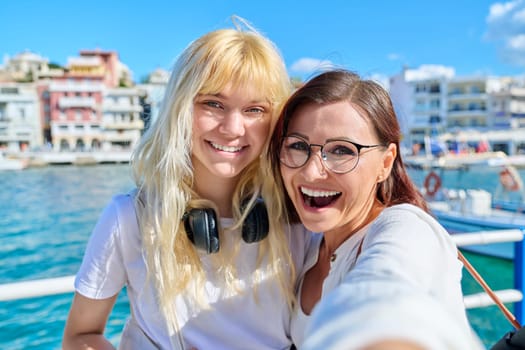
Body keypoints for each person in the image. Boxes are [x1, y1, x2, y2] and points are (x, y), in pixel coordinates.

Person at [62, 16, 312, 350]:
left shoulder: (298, 219)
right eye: (213, 104)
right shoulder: (129, 218)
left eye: (255, 110)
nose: (233, 127)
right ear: (181, 106)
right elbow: (81, 336)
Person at [268, 69, 484, 349]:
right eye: (298, 145)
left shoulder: (405, 229)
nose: (311, 172)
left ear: (385, 163)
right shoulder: (310, 245)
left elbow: (385, 299)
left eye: (342, 150)